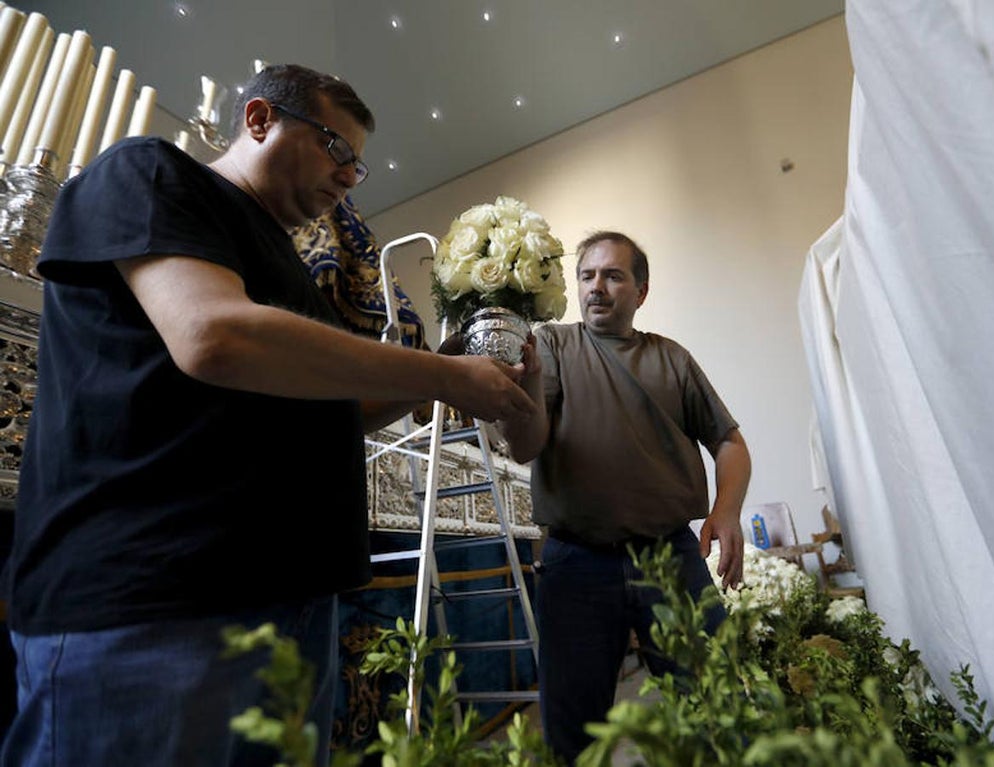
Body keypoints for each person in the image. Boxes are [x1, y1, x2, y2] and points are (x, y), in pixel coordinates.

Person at [0, 64, 536, 767]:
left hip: (283, 605)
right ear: (258, 120)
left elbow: (339, 410)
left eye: (360, 165)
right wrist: (442, 373)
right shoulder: (151, 174)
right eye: (336, 148)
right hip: (159, 607)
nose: (350, 176)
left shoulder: (283, 267)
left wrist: (444, 375)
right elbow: (214, 335)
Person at [499, 230, 752, 763]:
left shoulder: (671, 359)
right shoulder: (552, 345)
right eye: (588, 275)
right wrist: (525, 384)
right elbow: (524, 447)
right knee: (575, 734)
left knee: (720, 703)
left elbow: (728, 441)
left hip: (671, 557)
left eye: (614, 275)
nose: (598, 287)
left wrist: (726, 512)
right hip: (575, 563)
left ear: (641, 290)